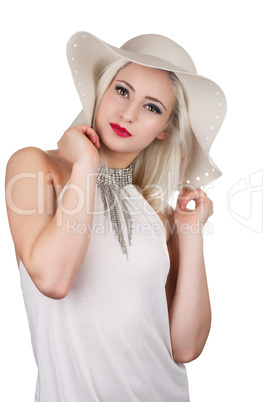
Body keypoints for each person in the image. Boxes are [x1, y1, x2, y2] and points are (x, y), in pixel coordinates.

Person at [5, 31, 226, 401]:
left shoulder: (156, 213)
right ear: (102, 90)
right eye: (122, 91)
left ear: (164, 131)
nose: (129, 112)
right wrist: (87, 163)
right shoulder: (34, 167)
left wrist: (190, 234)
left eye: (152, 107)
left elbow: (185, 346)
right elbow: (54, 279)